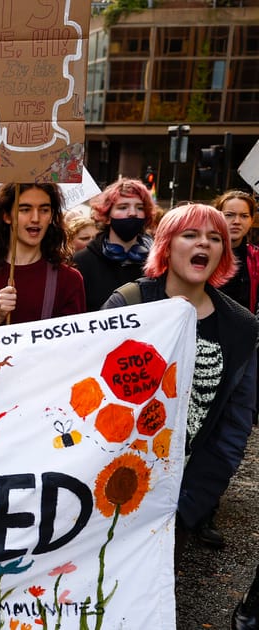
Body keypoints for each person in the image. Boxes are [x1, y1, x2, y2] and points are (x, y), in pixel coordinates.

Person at [95, 206, 259, 630]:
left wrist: (190, 508)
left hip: (177, 501)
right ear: (167, 247)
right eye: (190, 235)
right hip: (108, 491)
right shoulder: (129, 303)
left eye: (214, 237)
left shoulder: (240, 327)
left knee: (143, 606)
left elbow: (233, 428)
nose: (204, 243)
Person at [0, 182, 85, 328]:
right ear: (7, 216)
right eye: (25, 209)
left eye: (44, 210)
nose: (35, 218)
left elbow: (75, 343)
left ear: (51, 216)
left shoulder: (69, 279)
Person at [73, 178, 157, 310]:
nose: (132, 213)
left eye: (139, 208)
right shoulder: (81, 262)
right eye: (123, 207)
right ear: (107, 216)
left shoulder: (157, 263)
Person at [214, 191, 259, 312]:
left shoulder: (256, 258)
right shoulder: (204, 253)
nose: (237, 221)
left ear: (251, 219)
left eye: (244, 216)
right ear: (217, 217)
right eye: (229, 215)